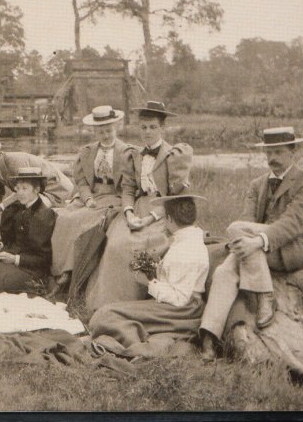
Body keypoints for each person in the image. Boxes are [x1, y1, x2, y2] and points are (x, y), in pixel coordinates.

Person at [198, 127, 303, 361]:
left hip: (294, 248)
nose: (272, 158)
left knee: (234, 229)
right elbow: (247, 221)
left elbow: (291, 225)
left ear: (293, 152)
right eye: (268, 153)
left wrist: (256, 242)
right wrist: (251, 243)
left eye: (278, 152)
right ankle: (209, 337)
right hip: (258, 250)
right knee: (224, 271)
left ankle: (265, 294)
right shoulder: (258, 184)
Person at [79, 101, 194, 313]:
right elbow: (128, 189)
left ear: (162, 128)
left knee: (149, 244)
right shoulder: (134, 155)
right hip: (138, 207)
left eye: (153, 127)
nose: (148, 132)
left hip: (163, 211)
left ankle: (143, 299)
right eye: (143, 127)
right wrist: (129, 212)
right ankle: (109, 303)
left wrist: (150, 218)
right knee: (116, 244)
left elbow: (173, 197)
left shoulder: (173, 155)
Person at [88, 195, 210, 358]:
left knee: (104, 316)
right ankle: (136, 339)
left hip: (183, 312)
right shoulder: (186, 240)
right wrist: (153, 270)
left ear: (169, 219)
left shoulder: (186, 250)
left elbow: (180, 298)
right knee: (108, 313)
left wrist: (150, 282)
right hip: (180, 307)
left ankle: (135, 347)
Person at [47, 105, 135, 289]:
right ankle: (55, 268)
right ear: (95, 131)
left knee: (80, 219)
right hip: (91, 195)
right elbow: (82, 182)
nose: (106, 135)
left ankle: (69, 271)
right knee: (62, 217)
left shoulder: (127, 153)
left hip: (113, 196)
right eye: (101, 131)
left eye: (109, 130)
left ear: (116, 127)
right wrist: (87, 198)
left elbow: (128, 186)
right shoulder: (87, 152)